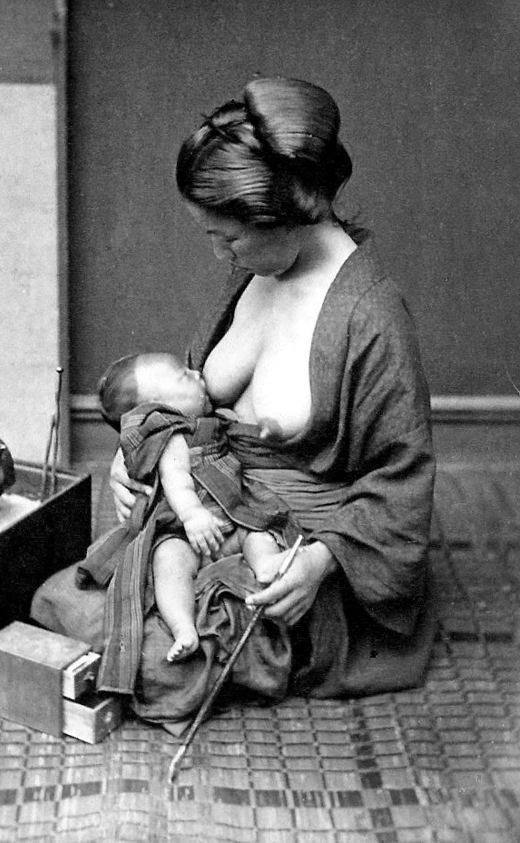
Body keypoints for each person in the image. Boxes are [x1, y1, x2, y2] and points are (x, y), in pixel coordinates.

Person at [31, 76, 436, 727]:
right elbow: (188, 402)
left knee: (152, 661)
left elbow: (402, 479)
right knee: (57, 600)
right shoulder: (258, 268)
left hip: (282, 552)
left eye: (229, 237)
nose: (220, 253)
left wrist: (319, 563)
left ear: (290, 212)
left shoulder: (371, 318)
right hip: (205, 515)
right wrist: (135, 454)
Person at [77, 350, 288, 664]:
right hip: (186, 529)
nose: (196, 374)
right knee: (168, 559)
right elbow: (176, 479)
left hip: (230, 520)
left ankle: (267, 569)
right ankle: (183, 626)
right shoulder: (171, 435)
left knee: (258, 532)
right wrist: (192, 514)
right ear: (157, 407)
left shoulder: (209, 420)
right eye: (183, 375)